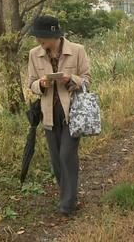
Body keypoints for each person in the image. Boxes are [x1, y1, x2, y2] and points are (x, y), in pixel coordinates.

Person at [27, 15, 91, 215]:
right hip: (48, 114)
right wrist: (41, 84)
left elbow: (87, 80)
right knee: (56, 160)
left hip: (73, 113)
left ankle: (68, 203)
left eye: (42, 37)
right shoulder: (34, 54)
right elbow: (31, 83)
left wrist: (70, 79)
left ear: (53, 35)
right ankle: (67, 195)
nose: (39, 41)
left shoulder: (77, 51)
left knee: (67, 155)